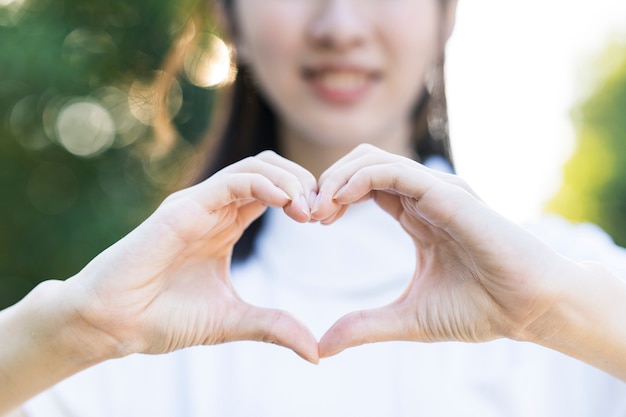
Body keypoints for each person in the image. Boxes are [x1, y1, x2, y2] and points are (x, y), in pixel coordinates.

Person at [2, 0, 626, 415]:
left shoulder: (579, 288)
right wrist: (73, 330)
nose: (340, 26)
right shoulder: (127, 311)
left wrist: (555, 312)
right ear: (230, 16)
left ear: (447, 12)